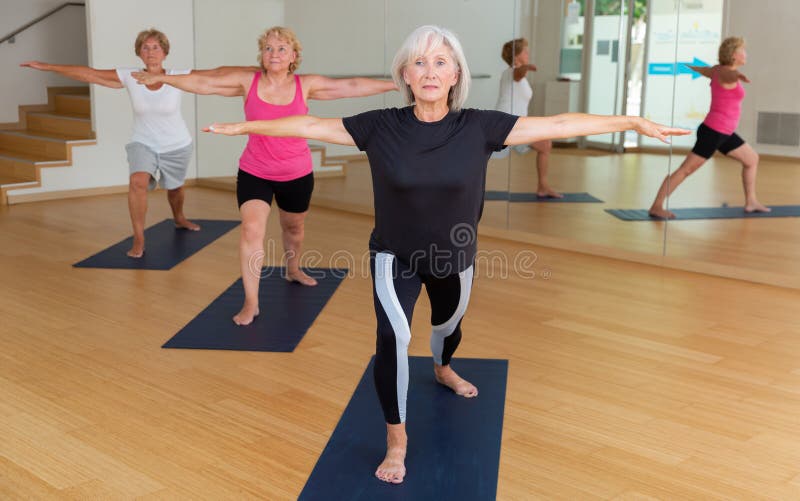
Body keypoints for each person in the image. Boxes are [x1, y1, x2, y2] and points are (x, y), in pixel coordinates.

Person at [204, 25, 688, 484]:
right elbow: (309, 122)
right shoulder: (379, 127)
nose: (430, 71)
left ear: (455, 74)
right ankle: (397, 440)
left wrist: (630, 121)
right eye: (420, 62)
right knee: (392, 340)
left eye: (441, 62)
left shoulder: (479, 127)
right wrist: (245, 125)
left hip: (455, 260)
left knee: (448, 327)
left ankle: (443, 367)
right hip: (393, 256)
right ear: (406, 76)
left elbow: (559, 122)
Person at [133, 26, 397, 326]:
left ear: (293, 56)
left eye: (281, 48)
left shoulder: (306, 84)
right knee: (251, 230)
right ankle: (251, 302)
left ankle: (293, 268)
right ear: (262, 54)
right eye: (268, 48)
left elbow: (350, 86)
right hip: (255, 170)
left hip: (296, 172)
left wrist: (394, 86)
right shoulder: (249, 81)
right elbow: (205, 82)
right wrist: (162, 77)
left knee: (293, 229)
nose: (274, 54)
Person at [20, 29, 249, 258]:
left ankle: (179, 217)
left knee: (175, 188)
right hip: (143, 143)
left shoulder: (179, 75)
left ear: (165, 52)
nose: (151, 52)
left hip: (177, 144)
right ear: (139, 52)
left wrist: (259, 71)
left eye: (156, 47)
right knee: (137, 182)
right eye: (145, 47)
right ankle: (139, 237)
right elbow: (89, 74)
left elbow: (217, 74)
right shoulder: (129, 76)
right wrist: (49, 67)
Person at [649, 36, 770, 219]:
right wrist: (737, 76)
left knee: (751, 159)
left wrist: (694, 68)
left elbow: (706, 70)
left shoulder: (716, 71)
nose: (746, 54)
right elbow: (727, 75)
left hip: (725, 133)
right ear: (733, 55)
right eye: (742, 51)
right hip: (713, 132)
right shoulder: (725, 73)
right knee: (685, 170)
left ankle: (751, 201)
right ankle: (656, 206)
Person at [495, 37, 561, 198]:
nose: (528, 53)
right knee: (545, 144)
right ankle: (543, 186)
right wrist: (526, 67)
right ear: (516, 55)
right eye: (525, 51)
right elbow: (518, 73)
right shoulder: (511, 73)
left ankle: (543, 186)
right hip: (507, 125)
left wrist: (525, 68)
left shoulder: (517, 76)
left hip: (517, 125)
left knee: (545, 144)